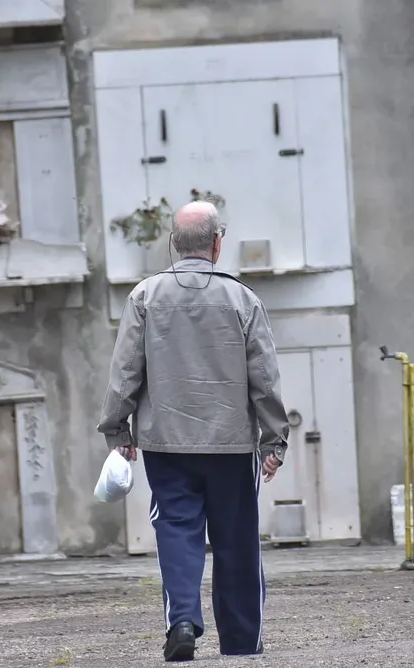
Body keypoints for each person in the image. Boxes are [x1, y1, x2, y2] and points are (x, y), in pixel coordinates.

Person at [97, 199, 291, 662]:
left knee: (177, 532)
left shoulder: (144, 297)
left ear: (172, 244)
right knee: (237, 539)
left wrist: (117, 429)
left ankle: (182, 620)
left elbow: (125, 370)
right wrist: (274, 440)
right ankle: (242, 641)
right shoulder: (244, 299)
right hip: (230, 444)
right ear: (217, 244)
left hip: (165, 442)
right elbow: (264, 376)